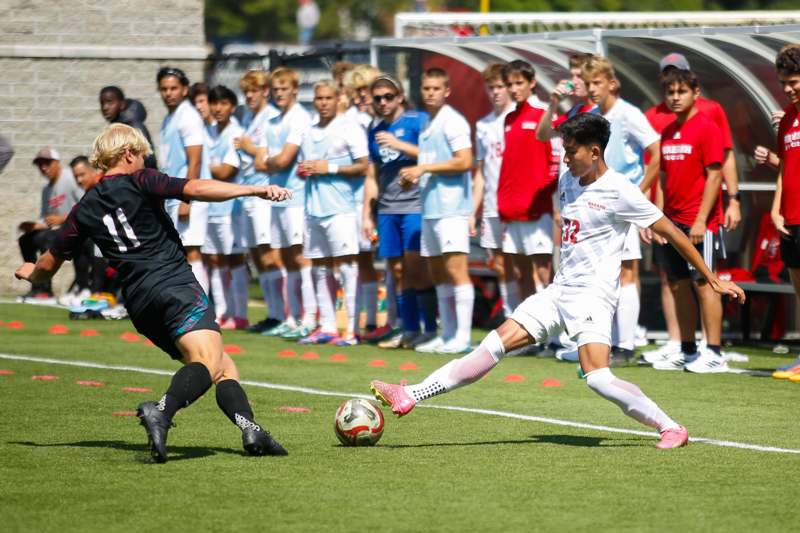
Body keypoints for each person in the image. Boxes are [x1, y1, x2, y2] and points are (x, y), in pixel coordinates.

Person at [370, 113, 745, 449]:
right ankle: (412, 395)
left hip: (592, 299)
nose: (565, 158)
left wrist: (712, 280)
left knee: (598, 378)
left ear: (595, 151)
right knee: (493, 345)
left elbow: (674, 234)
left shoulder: (620, 190)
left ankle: (671, 427)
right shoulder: (568, 179)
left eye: (571, 151)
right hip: (558, 291)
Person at [15, 123, 291, 462]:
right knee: (207, 359)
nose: (146, 161)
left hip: (140, 304)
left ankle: (252, 430)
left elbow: (48, 265)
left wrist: (31, 273)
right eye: (143, 155)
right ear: (128, 154)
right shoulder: (141, 179)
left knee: (220, 363)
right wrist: (252, 190)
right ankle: (163, 410)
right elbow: (198, 187)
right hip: (174, 284)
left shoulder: (84, 208)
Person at [642, 54, 742, 365]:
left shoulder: (707, 127)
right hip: (671, 223)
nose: (675, 97)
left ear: (695, 93)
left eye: (681, 91)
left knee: (704, 282)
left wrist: (701, 221)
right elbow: (662, 177)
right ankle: (687, 350)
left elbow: (715, 176)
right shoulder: (668, 131)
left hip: (700, 224)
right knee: (677, 284)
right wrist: (657, 220)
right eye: (670, 92)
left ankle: (713, 352)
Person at [581, 55, 661, 363]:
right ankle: (602, 341)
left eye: (597, 83)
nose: (592, 89)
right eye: (588, 84)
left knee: (627, 271)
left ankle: (625, 346)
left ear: (612, 83)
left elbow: (656, 153)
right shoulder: (590, 115)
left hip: (622, 207)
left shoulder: (629, 114)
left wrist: (637, 195)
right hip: (595, 206)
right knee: (600, 273)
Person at [398, 68, 474, 354]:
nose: (430, 93)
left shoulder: (453, 121)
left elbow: (464, 161)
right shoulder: (428, 122)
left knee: (456, 271)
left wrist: (424, 168)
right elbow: (432, 164)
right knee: (439, 272)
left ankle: (463, 337)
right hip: (431, 208)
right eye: (426, 88)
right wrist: (413, 178)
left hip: (452, 209)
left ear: (447, 91)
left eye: (435, 89)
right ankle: (449, 333)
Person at [364, 74, 437, 349]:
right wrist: (367, 213)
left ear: (400, 96)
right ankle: (409, 329)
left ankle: (429, 328)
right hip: (387, 209)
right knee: (395, 271)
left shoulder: (417, 121)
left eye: (388, 97)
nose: (383, 102)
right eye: (378, 98)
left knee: (416, 268)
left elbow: (432, 156)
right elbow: (372, 175)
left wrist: (398, 145)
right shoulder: (374, 130)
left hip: (415, 205)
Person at [296, 80, 369, 345]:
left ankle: (351, 329)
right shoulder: (308, 130)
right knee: (319, 268)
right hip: (313, 208)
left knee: (348, 267)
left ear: (338, 98)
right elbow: (303, 167)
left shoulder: (350, 128)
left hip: (341, 208)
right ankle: (327, 325)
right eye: (319, 98)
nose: (323, 103)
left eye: (328, 98)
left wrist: (331, 169)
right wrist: (304, 169)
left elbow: (363, 166)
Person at [254, 66, 317, 339]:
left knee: (301, 256)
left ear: (294, 89)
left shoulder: (300, 118)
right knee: (286, 258)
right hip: (277, 198)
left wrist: (270, 160)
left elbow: (282, 160)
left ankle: (310, 316)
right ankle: (291, 317)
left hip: (296, 196)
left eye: (284, 88)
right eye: (275, 89)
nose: (279, 93)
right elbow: (261, 161)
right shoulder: (271, 121)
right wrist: (270, 160)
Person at [497, 60, 558, 303]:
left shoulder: (545, 113)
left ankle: (559, 335)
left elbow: (556, 159)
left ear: (532, 83)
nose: (513, 89)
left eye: (519, 83)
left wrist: (546, 197)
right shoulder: (509, 118)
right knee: (522, 273)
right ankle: (531, 334)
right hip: (512, 209)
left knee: (545, 271)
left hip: (537, 209)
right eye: (509, 84)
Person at [233, 70, 285, 334]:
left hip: (265, 191)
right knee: (256, 254)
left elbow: (267, 158)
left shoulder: (270, 118)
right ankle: (272, 313)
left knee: (269, 253)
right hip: (249, 191)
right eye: (247, 92)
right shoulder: (247, 117)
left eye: (255, 90)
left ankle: (281, 314)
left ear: (266, 91)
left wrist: (248, 147)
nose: (250, 96)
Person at [157, 66, 210, 294]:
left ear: (185, 89)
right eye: (164, 89)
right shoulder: (170, 118)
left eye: (173, 88)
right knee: (180, 252)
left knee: (192, 251)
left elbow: (195, 160)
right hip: (174, 196)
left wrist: (187, 200)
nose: (169, 93)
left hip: (188, 195)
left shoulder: (188, 116)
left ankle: (202, 307)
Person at [473, 62, 519, 319]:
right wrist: (472, 211)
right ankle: (511, 319)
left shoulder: (520, 117)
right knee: (501, 265)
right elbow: (480, 171)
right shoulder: (483, 125)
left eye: (500, 86)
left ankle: (538, 327)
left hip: (518, 205)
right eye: (491, 88)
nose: (496, 92)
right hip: (492, 205)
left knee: (525, 265)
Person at [203, 86, 250, 330]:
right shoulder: (207, 131)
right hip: (209, 207)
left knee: (234, 259)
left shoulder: (236, 133)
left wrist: (204, 164)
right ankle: (222, 313)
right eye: (214, 103)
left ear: (232, 106)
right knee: (215, 259)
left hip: (231, 207)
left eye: (223, 103)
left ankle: (240, 313)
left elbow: (225, 171)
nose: (217, 108)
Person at [341, 65, 381, 339]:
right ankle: (365, 321)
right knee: (360, 258)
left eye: (365, 90)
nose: (360, 97)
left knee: (392, 262)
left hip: (381, 194)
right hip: (355, 197)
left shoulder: (380, 118)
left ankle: (387, 320)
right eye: (357, 92)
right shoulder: (352, 118)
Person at [769, 44, 800, 381]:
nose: (789, 89)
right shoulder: (788, 118)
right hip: (791, 216)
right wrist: (777, 210)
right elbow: (785, 169)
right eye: (784, 83)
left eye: (794, 81)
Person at [17, 147, 83, 301]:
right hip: (57, 231)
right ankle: (36, 286)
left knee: (46, 238)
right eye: (40, 164)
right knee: (26, 239)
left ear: (57, 162)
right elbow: (45, 218)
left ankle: (45, 288)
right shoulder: (47, 189)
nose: (43, 167)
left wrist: (63, 219)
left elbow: (86, 206)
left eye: (47, 163)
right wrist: (35, 226)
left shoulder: (71, 178)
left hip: (75, 230)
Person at [99, 86, 157, 169]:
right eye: (102, 103)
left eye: (110, 102)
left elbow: (149, 159)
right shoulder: (117, 128)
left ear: (122, 104)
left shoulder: (134, 127)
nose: (105, 107)